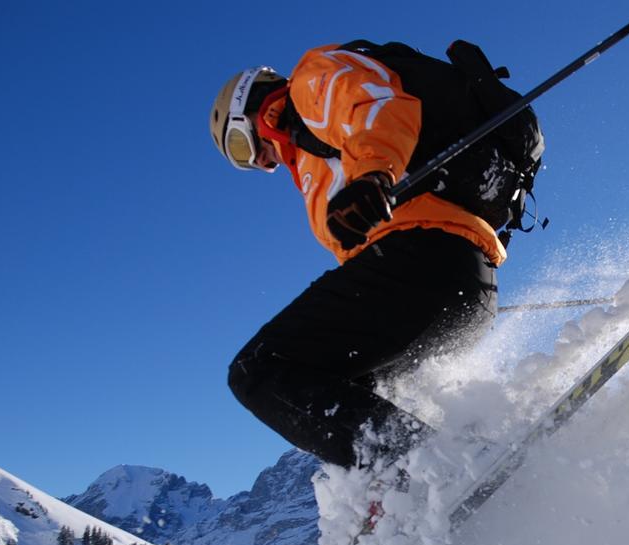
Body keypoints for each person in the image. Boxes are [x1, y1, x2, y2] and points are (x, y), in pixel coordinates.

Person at [211, 43, 532, 475]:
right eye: (245, 163)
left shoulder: (309, 84)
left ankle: (437, 468)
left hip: (425, 260)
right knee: (337, 387)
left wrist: (375, 175)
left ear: (250, 107)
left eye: (241, 145)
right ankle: (419, 487)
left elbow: (378, 105)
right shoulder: (314, 162)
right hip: (457, 288)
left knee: (260, 369)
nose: (261, 163)